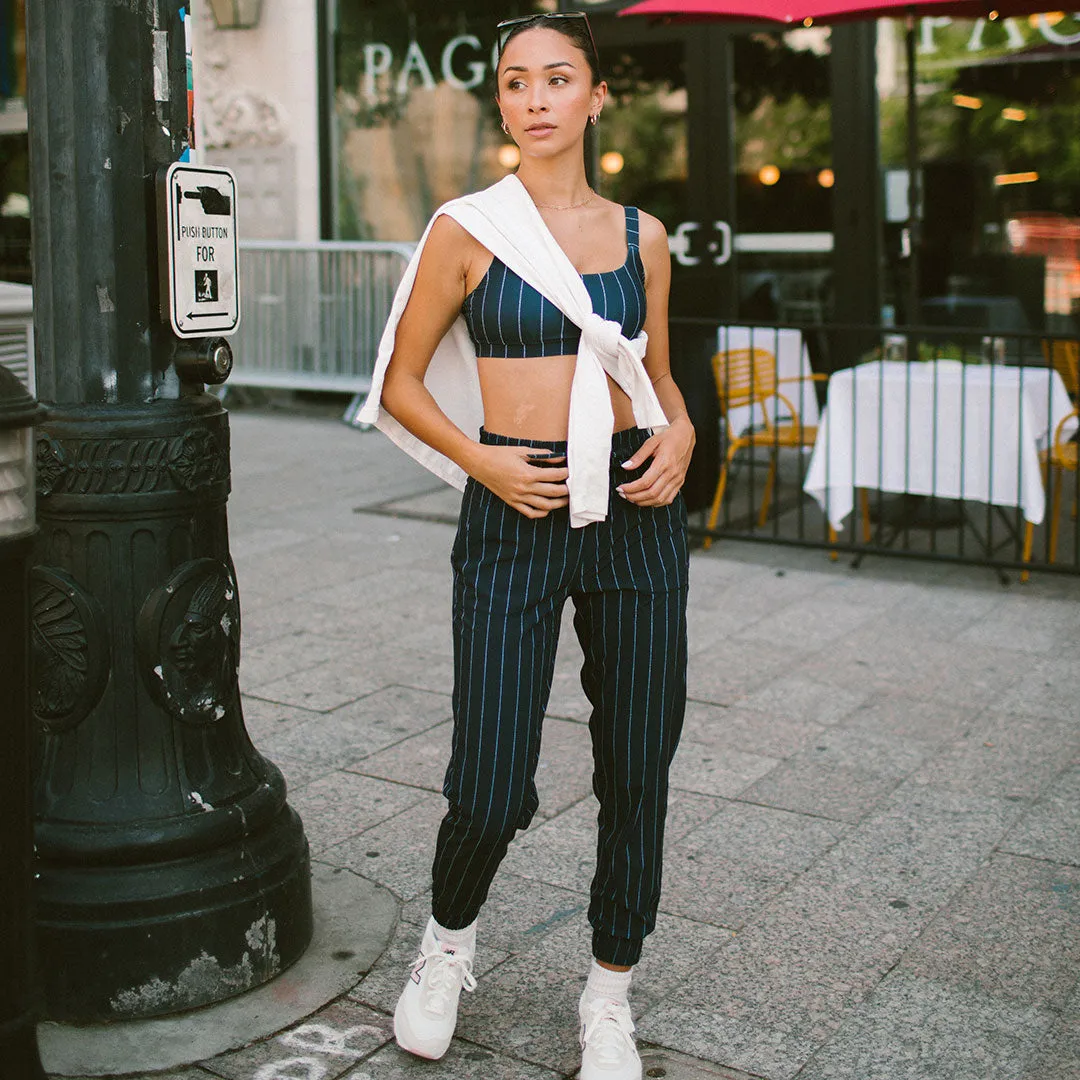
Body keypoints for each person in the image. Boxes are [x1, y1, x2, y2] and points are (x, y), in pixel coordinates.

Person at [358, 12, 694, 1080]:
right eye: (516, 82)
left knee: (637, 762)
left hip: (635, 511)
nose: (536, 98)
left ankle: (609, 994)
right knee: (492, 779)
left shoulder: (645, 236)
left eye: (558, 79)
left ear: (598, 98)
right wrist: (484, 461)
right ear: (500, 101)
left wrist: (682, 431)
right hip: (515, 506)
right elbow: (399, 387)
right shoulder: (468, 228)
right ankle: (448, 946)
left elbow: (660, 379)